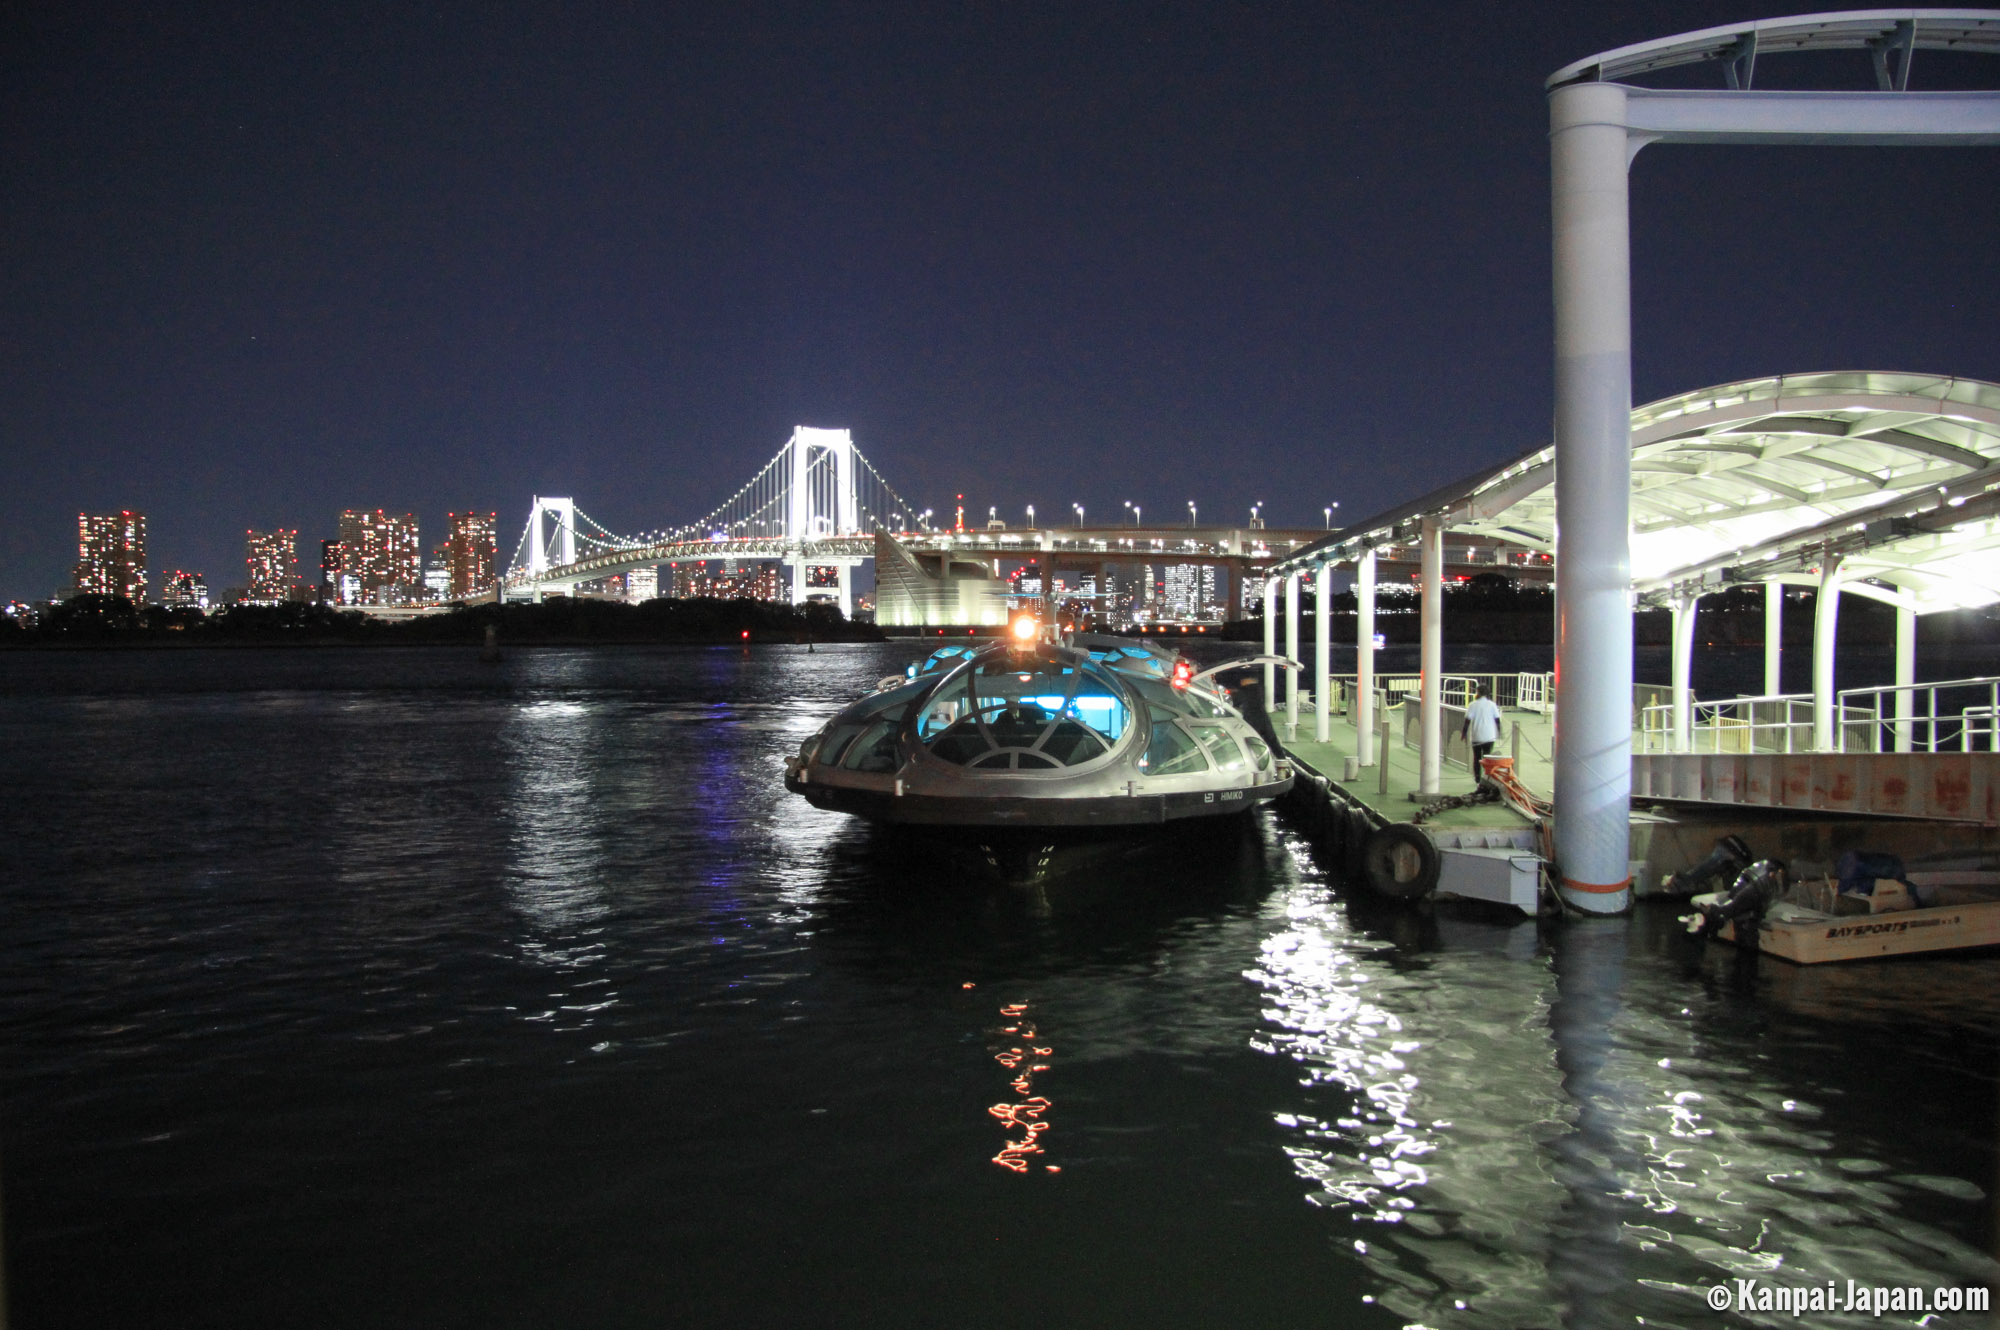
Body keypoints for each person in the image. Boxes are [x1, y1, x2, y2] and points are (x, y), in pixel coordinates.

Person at [1461, 683, 1502, 790]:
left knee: (1477, 758)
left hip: (1477, 735)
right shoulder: (1492, 704)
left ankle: (1478, 779)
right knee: (1487, 757)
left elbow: (1467, 721)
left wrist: (1463, 733)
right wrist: (1499, 732)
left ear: (1478, 693)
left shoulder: (1473, 705)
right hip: (1489, 736)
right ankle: (1488, 777)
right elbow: (1497, 720)